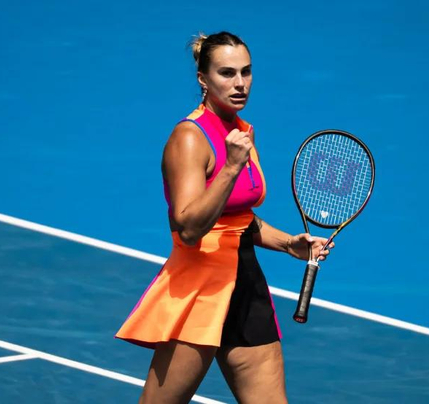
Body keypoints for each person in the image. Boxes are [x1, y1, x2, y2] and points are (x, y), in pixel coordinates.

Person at [116, 31, 334, 404]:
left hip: (246, 285)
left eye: (246, 72)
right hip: (199, 289)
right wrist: (231, 167)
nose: (240, 83)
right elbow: (188, 228)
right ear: (203, 79)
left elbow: (237, 218)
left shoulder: (242, 132)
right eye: (227, 73)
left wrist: (288, 244)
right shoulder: (189, 138)